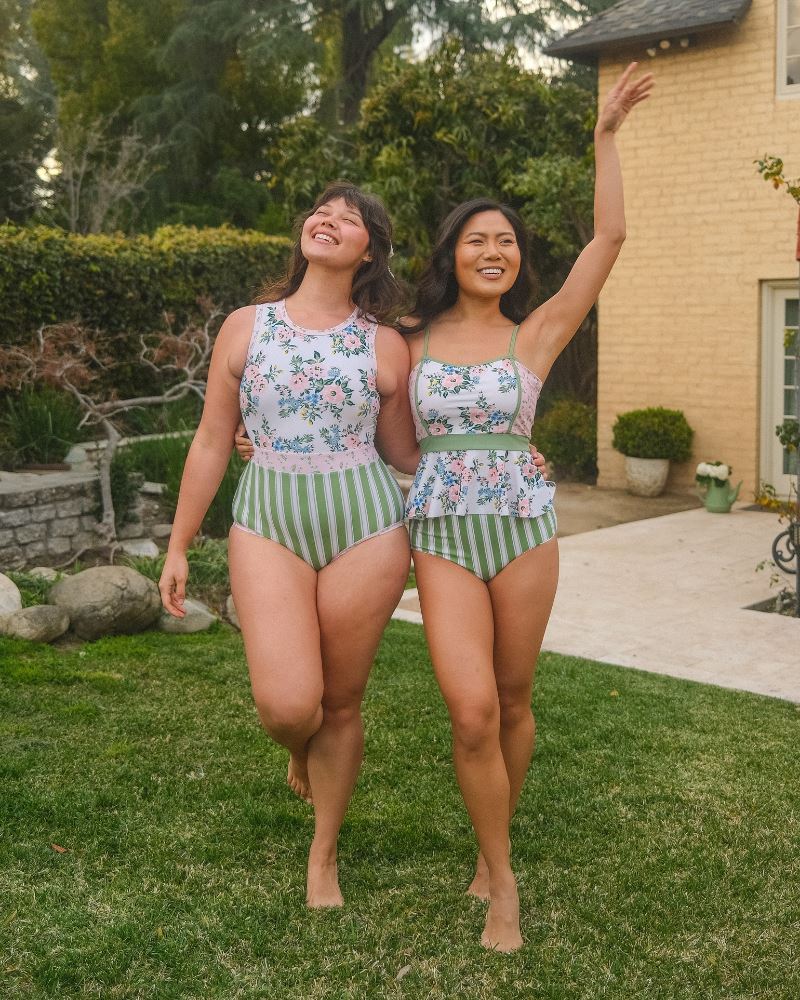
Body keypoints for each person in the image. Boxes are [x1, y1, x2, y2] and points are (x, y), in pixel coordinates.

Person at [398, 62, 653, 952]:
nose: (493, 251)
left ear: (516, 256)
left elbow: (610, 240)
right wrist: (260, 442)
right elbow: (358, 415)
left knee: (511, 700)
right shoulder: (409, 340)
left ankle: (487, 853)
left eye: (505, 240)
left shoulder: (533, 332)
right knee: (467, 710)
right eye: (476, 241)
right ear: (450, 255)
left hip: (521, 526)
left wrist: (605, 137)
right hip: (440, 531)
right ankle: (504, 884)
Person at [159, 183, 421, 908]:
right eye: (323, 211)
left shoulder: (386, 343)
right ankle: (297, 750)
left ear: (370, 249)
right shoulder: (247, 327)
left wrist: (499, 454)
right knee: (286, 708)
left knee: (339, 702)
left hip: (365, 527)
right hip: (268, 519)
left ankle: (324, 853)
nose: (331, 221)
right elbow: (214, 438)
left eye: (352, 218)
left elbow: (404, 453)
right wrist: (178, 545)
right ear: (305, 231)